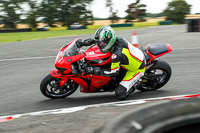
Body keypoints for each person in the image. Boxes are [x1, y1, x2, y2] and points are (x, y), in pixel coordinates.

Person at [76, 25, 146, 99]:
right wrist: (83, 42)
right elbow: (97, 40)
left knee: (120, 94)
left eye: (102, 43)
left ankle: (136, 83)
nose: (100, 44)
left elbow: (113, 72)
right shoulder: (116, 40)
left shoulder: (116, 55)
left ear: (108, 41)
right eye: (100, 43)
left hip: (137, 69)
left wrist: (94, 70)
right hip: (131, 59)